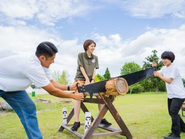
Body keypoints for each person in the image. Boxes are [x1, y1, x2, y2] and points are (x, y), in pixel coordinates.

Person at [0, 41, 84, 139]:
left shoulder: (43, 65)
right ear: (42, 58)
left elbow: (52, 83)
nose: (53, 62)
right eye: (52, 59)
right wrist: (73, 96)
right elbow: (52, 91)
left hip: (12, 88)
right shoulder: (32, 66)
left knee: (29, 108)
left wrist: (70, 87)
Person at [71, 39, 111, 131]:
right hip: (80, 79)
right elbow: (81, 67)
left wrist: (92, 79)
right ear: (87, 46)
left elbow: (94, 70)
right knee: (78, 95)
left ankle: (101, 119)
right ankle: (76, 122)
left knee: (101, 94)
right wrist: (86, 79)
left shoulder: (95, 57)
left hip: (90, 79)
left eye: (94, 46)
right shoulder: (80, 55)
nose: (93, 48)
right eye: (92, 46)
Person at [152, 51, 185, 139]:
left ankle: (176, 135)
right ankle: (183, 128)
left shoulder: (174, 68)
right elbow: (156, 74)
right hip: (171, 95)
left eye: (166, 58)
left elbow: (169, 81)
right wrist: (154, 68)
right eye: (163, 59)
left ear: (171, 59)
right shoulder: (164, 68)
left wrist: (159, 75)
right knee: (172, 113)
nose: (164, 60)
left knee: (174, 112)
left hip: (179, 94)